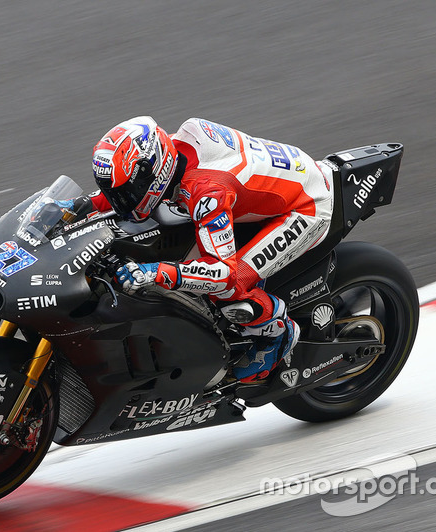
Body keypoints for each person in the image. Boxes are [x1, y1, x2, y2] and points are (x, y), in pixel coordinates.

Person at [73, 116, 333, 382]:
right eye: (116, 192)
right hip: (269, 191)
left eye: (127, 191)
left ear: (151, 172)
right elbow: (120, 192)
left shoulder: (207, 193)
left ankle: (276, 332)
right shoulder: (169, 155)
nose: (121, 200)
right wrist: (75, 207)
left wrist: (154, 272)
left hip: (306, 207)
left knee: (228, 288)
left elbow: (222, 274)